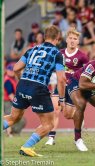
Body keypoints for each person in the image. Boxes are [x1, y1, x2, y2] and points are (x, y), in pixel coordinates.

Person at [3, 25, 66, 157]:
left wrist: (22, 81)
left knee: (13, 117)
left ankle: (26, 146)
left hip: (23, 84)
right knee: (49, 124)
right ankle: (27, 147)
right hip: (38, 87)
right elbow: (61, 79)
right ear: (58, 38)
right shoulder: (57, 54)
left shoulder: (31, 49)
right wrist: (61, 99)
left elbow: (15, 68)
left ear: (44, 36)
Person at [45, 28, 89, 145]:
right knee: (55, 109)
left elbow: (87, 73)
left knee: (68, 115)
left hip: (73, 88)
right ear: (66, 39)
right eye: (70, 38)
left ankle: (79, 119)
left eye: (75, 39)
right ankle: (51, 137)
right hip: (60, 85)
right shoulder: (59, 53)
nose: (72, 41)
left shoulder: (82, 56)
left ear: (78, 41)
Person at [4, 64, 26, 137]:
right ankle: (9, 133)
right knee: (11, 118)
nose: (11, 72)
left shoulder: (12, 79)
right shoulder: (7, 80)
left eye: (12, 70)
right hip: (7, 102)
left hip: (10, 101)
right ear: (7, 70)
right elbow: (10, 94)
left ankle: (13, 133)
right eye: (10, 70)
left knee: (19, 119)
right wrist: (18, 102)